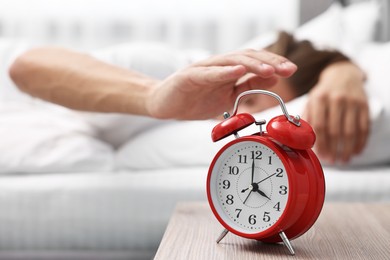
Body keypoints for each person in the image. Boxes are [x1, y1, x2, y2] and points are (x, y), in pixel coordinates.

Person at [8, 31, 368, 164]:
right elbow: (26, 66)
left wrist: (344, 72)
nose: (242, 110)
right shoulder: (164, 67)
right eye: (252, 96)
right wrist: (152, 96)